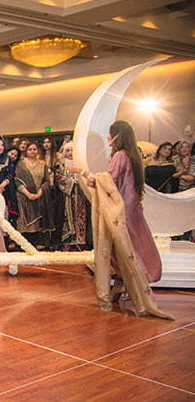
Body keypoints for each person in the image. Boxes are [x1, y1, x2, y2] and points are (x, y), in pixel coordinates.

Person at [69, 120, 162, 296]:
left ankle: (128, 283)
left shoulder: (120, 156)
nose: (107, 137)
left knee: (118, 248)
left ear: (117, 136)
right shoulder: (133, 156)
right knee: (126, 247)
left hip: (121, 211)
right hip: (131, 208)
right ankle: (121, 284)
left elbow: (105, 182)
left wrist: (81, 171)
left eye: (110, 133)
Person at [15, 142, 53, 249]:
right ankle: (23, 245)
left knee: (37, 222)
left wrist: (38, 193)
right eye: (30, 149)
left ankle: (36, 244)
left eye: (34, 149)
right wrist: (28, 194)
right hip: (23, 197)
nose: (32, 151)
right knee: (23, 222)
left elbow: (46, 181)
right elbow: (17, 181)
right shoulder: (20, 164)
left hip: (38, 197)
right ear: (26, 151)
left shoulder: (42, 164)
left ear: (38, 151)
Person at [53, 141, 89, 250]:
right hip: (67, 197)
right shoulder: (61, 164)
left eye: (72, 150)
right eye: (67, 150)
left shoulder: (80, 164)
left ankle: (80, 242)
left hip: (80, 196)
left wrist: (81, 182)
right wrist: (72, 182)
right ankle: (67, 242)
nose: (70, 153)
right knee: (67, 219)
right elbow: (59, 178)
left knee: (80, 218)